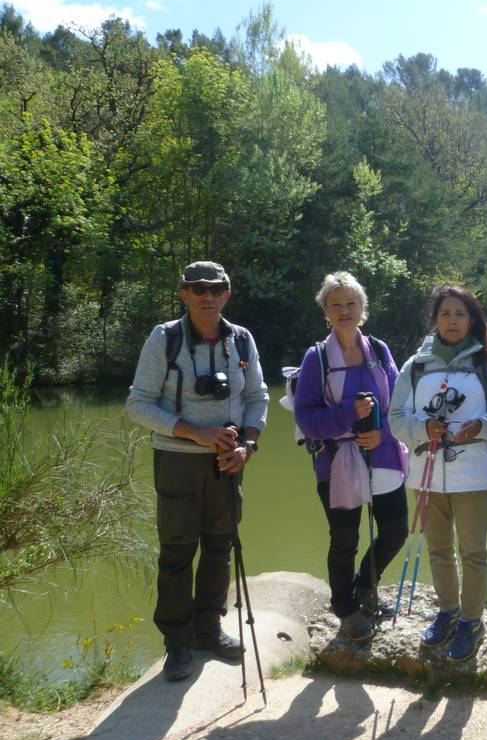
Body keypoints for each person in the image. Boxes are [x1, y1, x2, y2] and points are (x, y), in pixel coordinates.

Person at [126, 261, 269, 682]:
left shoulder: (241, 340)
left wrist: (248, 445)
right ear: (184, 294)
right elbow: (138, 404)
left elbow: (258, 397)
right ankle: (177, 642)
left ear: (228, 294)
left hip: (228, 462)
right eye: (198, 289)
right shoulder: (165, 338)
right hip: (176, 461)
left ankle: (208, 630)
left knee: (220, 547)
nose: (207, 296)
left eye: (216, 289)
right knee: (176, 552)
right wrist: (196, 432)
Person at [389, 286, 487, 662]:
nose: (453, 321)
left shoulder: (485, 364)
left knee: (473, 551)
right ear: (436, 319)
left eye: (461, 314)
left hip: (473, 475)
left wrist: (479, 426)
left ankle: (472, 621)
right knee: (439, 549)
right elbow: (396, 419)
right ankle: (448, 611)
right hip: (425, 473)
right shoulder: (415, 366)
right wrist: (423, 429)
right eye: (446, 314)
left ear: (472, 320)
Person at [293, 272, 410, 643]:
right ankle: (345, 609)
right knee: (344, 538)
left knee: (394, 530)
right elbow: (308, 420)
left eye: (351, 303)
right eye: (335, 304)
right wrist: (349, 413)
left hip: (382, 453)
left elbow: (398, 405)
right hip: (337, 459)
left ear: (363, 308)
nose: (344, 311)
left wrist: (383, 433)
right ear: (325, 311)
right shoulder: (316, 358)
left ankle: (365, 584)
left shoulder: (379, 350)